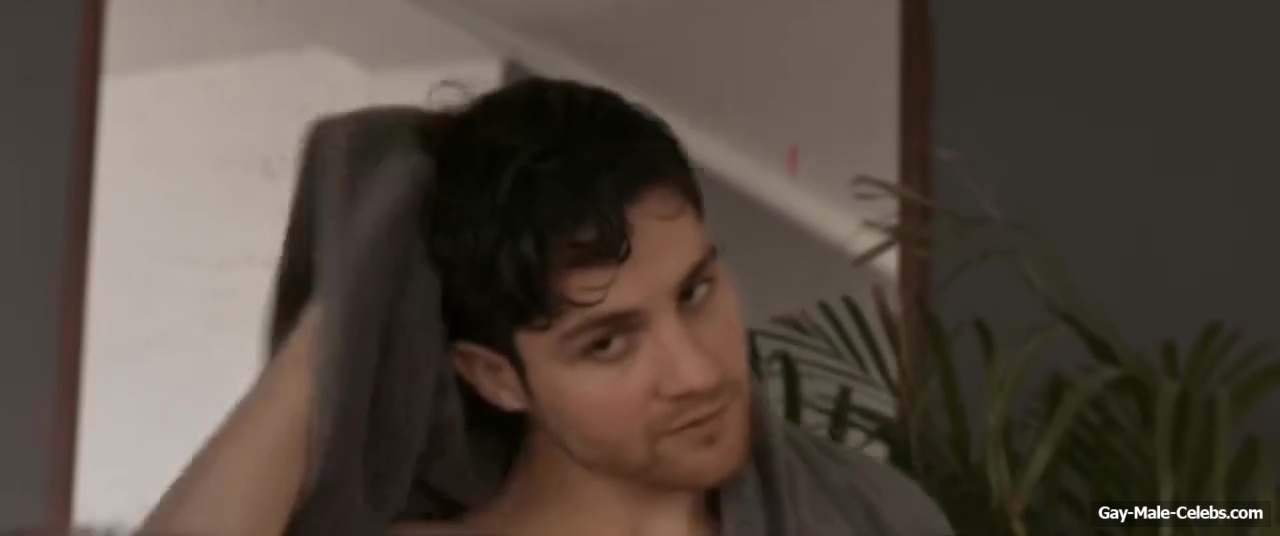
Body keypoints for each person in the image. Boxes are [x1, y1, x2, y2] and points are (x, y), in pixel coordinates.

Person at [141, 78, 949, 536]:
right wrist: (351, 301)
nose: (696, 371)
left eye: (695, 293)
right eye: (609, 343)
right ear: (494, 377)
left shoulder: (871, 518)